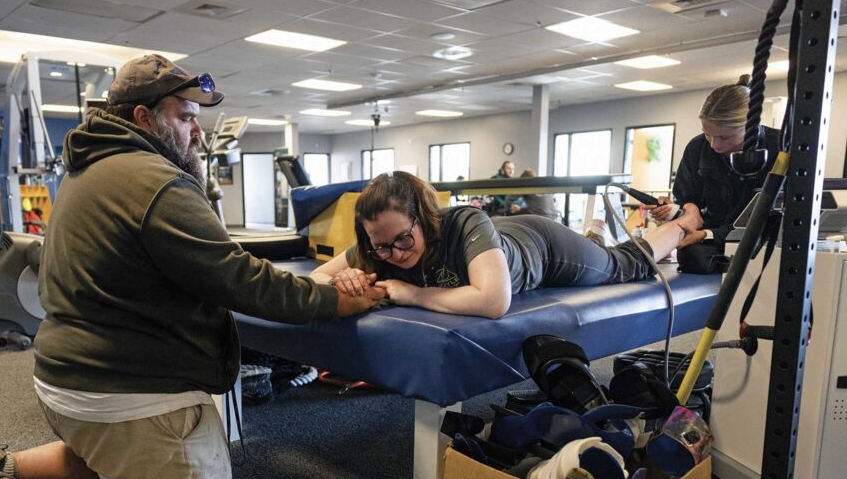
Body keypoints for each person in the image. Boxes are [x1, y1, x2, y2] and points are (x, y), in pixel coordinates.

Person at [0, 54, 383, 479]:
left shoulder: (86, 169)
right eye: (185, 115)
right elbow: (242, 280)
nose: (196, 130)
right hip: (119, 388)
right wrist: (329, 302)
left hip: (65, 377)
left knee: (124, 457)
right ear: (145, 117)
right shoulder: (156, 182)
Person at [310, 172, 689, 319]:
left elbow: (492, 301)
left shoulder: (463, 221)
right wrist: (347, 280)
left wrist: (415, 294)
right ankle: (594, 231)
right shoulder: (380, 241)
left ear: (425, 219)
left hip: (544, 248)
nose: (395, 253)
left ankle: (683, 225)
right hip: (498, 241)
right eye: (382, 247)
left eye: (403, 240)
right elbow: (316, 278)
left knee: (624, 264)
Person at [649, 76, 779, 247]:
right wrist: (689, 210)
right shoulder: (698, 147)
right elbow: (688, 197)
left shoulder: (780, 147)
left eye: (724, 137)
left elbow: (771, 215)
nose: (714, 144)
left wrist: (708, 234)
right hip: (706, 239)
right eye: (708, 134)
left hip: (761, 243)